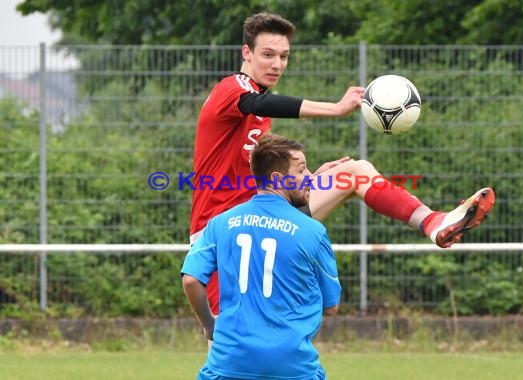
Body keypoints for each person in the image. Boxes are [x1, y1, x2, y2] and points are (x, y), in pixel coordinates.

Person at [189, 12, 496, 315]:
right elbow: (260, 102)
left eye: (284, 56)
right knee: (226, 350)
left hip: (262, 221)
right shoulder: (233, 89)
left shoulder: (255, 113)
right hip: (221, 234)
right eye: (268, 54)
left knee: (355, 173)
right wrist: (336, 108)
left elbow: (263, 175)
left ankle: (433, 222)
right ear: (247, 52)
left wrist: (307, 179)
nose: (277, 64)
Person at [182, 133, 341, 380]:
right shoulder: (313, 232)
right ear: (278, 179)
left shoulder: (221, 223)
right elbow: (330, 306)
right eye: (301, 171)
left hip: (229, 365)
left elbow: (191, 280)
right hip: (292, 368)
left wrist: (209, 325)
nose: (310, 176)